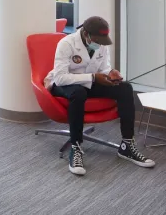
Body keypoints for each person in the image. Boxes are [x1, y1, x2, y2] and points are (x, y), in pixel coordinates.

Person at [45, 16, 155, 176]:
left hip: (89, 81)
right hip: (65, 84)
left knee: (125, 88)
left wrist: (110, 74)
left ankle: (127, 145)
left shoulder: (101, 44)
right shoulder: (66, 44)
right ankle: (75, 148)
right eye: (97, 39)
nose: (101, 44)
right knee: (78, 92)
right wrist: (94, 77)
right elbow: (61, 77)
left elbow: (104, 68)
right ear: (86, 34)